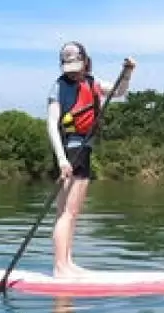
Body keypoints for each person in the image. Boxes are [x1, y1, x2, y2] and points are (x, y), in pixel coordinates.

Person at [46, 42, 135, 278]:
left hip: (80, 150)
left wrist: (126, 73)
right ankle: (60, 267)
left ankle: (67, 261)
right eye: (69, 67)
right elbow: (52, 125)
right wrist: (62, 160)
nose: (73, 71)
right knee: (68, 212)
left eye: (76, 66)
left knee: (68, 212)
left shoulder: (92, 83)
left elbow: (119, 92)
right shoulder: (59, 87)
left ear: (86, 61)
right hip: (72, 151)